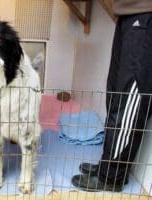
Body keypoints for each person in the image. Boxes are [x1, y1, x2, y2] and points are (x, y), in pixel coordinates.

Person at [72, 0, 152, 192]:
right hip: (126, 13)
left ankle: (111, 177)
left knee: (130, 99)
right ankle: (109, 165)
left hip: (146, 14)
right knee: (115, 95)